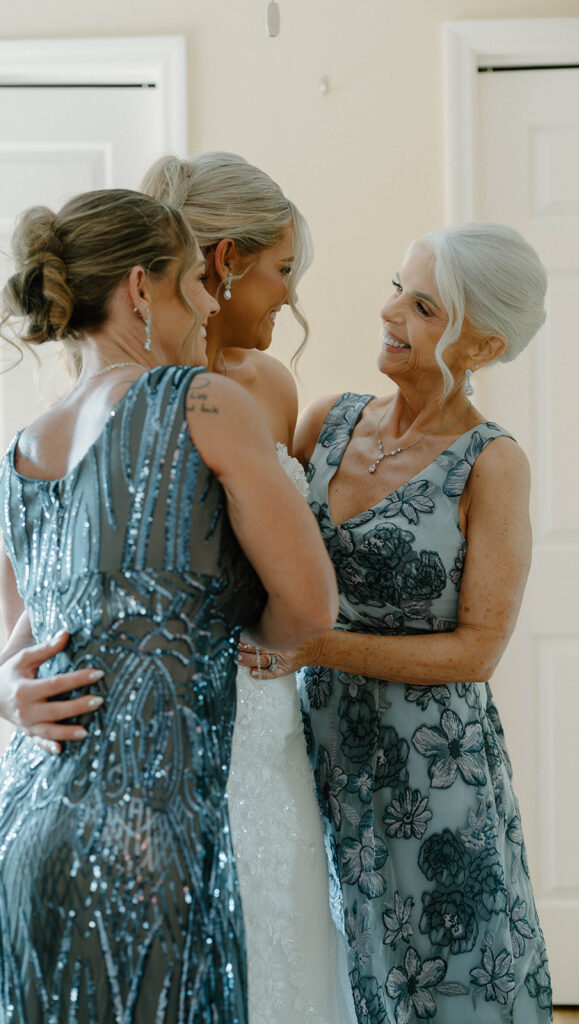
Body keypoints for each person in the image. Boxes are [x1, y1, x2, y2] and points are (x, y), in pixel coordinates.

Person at [0, 153, 354, 1024]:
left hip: (20, 822)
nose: (210, 300)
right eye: (197, 280)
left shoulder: (22, 449)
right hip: (150, 828)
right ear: (144, 291)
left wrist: (1, 690)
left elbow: (15, 661)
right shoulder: (204, 402)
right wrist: (224, 637)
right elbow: (308, 609)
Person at [239, 224, 553, 1023]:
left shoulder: (492, 463)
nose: (388, 312)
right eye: (396, 288)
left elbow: (477, 651)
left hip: (432, 773)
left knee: (446, 985)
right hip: (308, 753)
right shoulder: (324, 422)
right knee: (336, 973)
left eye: (422, 307)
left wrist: (315, 647)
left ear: (480, 346)